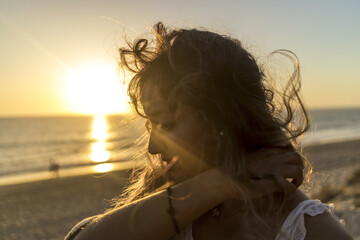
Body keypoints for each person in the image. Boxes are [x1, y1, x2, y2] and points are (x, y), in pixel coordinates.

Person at [65, 22, 352, 240]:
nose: (152, 147)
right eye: (150, 125)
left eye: (166, 123)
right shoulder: (170, 200)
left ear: (223, 119)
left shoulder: (303, 227)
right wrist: (222, 182)